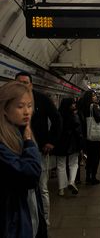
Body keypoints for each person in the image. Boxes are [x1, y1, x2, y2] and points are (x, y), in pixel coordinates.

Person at [0, 81, 47, 238]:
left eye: (29, 105)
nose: (27, 112)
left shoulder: (19, 132)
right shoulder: (3, 143)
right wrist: (29, 142)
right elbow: (30, 176)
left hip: (27, 218)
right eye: (20, 107)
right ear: (5, 110)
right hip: (12, 224)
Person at [15, 71, 62, 226]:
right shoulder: (9, 101)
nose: (22, 85)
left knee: (41, 188)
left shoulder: (41, 99)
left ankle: (44, 222)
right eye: (19, 82)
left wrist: (51, 141)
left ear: (31, 84)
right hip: (16, 150)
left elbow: (57, 119)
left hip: (39, 150)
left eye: (25, 82)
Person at [55, 97, 83, 196]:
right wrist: (81, 145)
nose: (74, 106)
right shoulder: (74, 116)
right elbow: (78, 132)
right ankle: (71, 181)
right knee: (74, 163)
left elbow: (54, 130)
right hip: (73, 143)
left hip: (60, 143)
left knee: (60, 166)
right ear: (69, 105)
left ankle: (61, 189)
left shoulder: (57, 115)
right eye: (73, 104)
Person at [82, 90, 100, 185]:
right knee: (96, 156)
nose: (95, 97)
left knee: (89, 156)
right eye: (94, 95)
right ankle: (93, 177)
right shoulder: (94, 106)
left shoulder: (83, 105)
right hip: (94, 136)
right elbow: (99, 119)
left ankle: (87, 176)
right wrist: (99, 108)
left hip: (86, 134)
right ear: (90, 97)